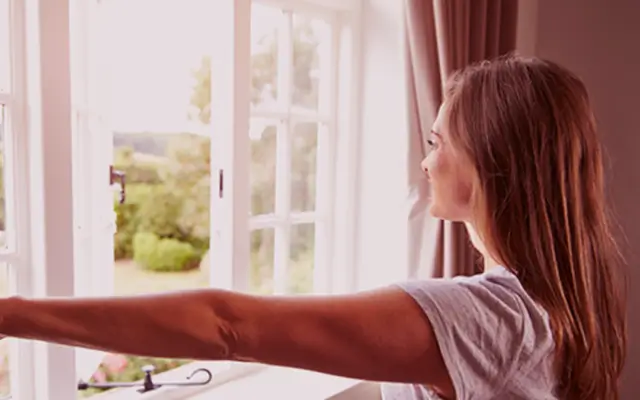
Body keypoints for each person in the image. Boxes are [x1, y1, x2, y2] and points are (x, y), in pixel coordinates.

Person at [0, 56, 627, 400]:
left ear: (489, 163)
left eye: (437, 142)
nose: (426, 159)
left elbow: (228, 325)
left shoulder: (487, 317)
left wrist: (12, 313)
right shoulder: (560, 294)